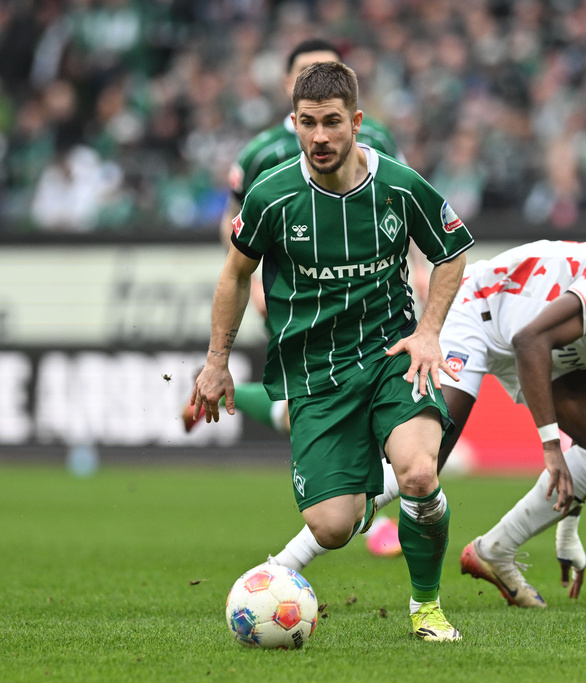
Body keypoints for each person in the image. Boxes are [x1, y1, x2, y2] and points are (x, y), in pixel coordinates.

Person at [267, 239, 586, 608]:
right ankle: (284, 566)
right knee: (422, 464)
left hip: (544, 349)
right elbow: (529, 339)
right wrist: (549, 445)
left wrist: (568, 527)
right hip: (478, 310)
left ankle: (496, 549)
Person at [189, 61, 473, 641]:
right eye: (309, 123)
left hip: (395, 354)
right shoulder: (272, 195)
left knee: (420, 473)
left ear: (357, 122)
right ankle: (361, 496)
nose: (321, 137)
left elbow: (451, 253)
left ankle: (427, 608)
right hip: (317, 374)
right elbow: (235, 275)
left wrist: (430, 330)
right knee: (333, 525)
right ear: (293, 123)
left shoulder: (398, 184)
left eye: (333, 123)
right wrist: (216, 360)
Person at [183, 38, 410, 558]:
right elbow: (236, 230)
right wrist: (258, 279)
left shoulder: (376, 140)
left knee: (388, 415)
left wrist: (415, 272)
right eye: (306, 75)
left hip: (372, 306)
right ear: (291, 88)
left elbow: (404, 210)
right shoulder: (261, 155)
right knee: (312, 400)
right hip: (294, 302)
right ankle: (362, 509)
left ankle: (376, 514)